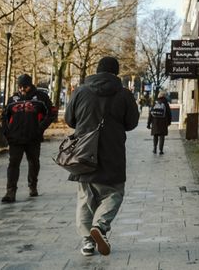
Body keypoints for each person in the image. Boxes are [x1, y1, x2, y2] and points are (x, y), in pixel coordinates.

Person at [64, 56, 138, 257]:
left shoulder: (80, 91)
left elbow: (69, 119)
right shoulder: (124, 94)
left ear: (96, 71)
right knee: (114, 193)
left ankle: (88, 242)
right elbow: (132, 123)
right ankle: (100, 226)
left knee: (85, 197)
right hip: (113, 152)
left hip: (84, 152)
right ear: (116, 73)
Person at [0, 74, 55, 202]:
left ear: (30, 85)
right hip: (15, 138)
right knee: (13, 163)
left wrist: (40, 128)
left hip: (33, 137)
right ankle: (10, 191)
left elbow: (51, 113)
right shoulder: (13, 99)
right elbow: (5, 116)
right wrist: (7, 132)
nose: (22, 89)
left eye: (25, 87)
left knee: (33, 162)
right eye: (20, 87)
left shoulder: (41, 98)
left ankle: (32, 185)